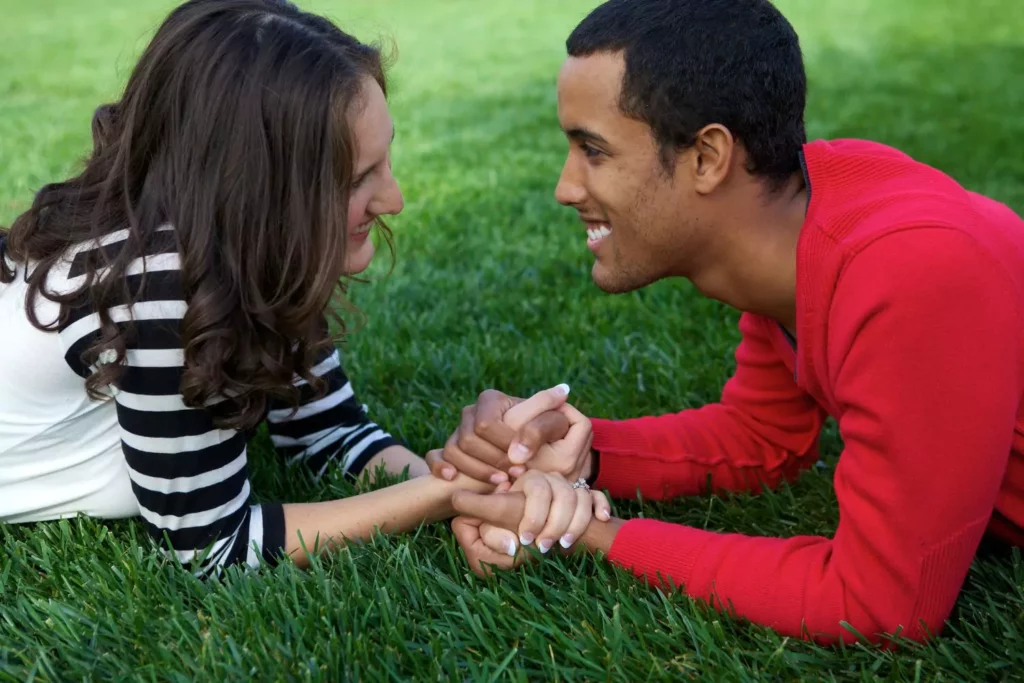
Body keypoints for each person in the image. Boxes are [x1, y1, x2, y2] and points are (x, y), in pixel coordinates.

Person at [432, 0, 1024, 646]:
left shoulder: (907, 270)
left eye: (592, 150)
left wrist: (588, 531)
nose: (566, 187)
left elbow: (878, 602)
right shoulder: (801, 226)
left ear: (708, 157)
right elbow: (764, 438)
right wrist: (582, 453)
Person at [0, 0, 607, 577]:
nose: (393, 199)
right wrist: (448, 493)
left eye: (384, 161)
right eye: (356, 179)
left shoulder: (250, 250)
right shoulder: (156, 286)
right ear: (258, 196)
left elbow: (327, 432)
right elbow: (214, 549)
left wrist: (481, 487)